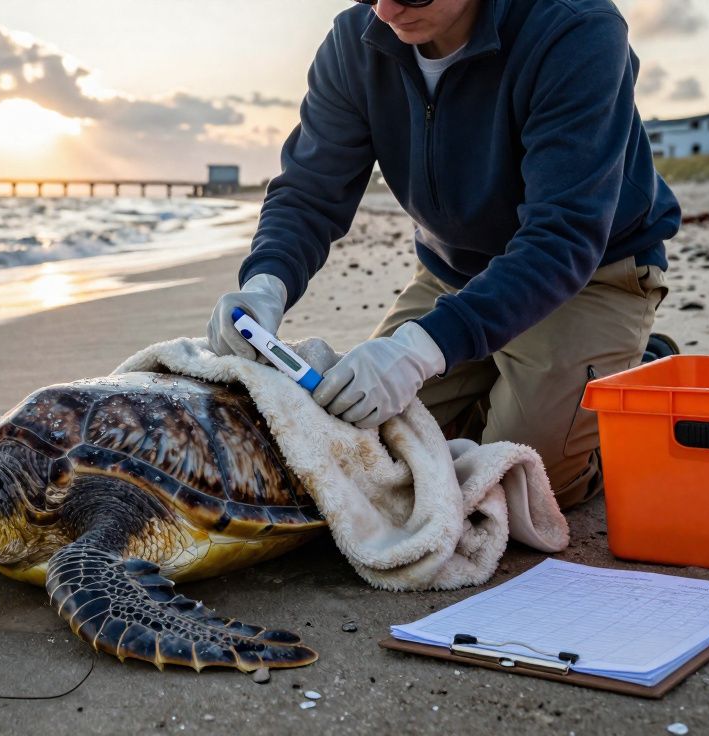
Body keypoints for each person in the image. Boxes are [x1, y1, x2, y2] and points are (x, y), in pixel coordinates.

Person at [207, 0, 680, 510]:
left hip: (587, 275)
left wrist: (417, 350)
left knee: (520, 484)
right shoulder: (355, 41)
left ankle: (631, 373)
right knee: (360, 451)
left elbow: (564, 234)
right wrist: (266, 281)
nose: (387, 10)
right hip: (452, 276)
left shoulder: (577, 28)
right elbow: (309, 192)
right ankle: (509, 385)